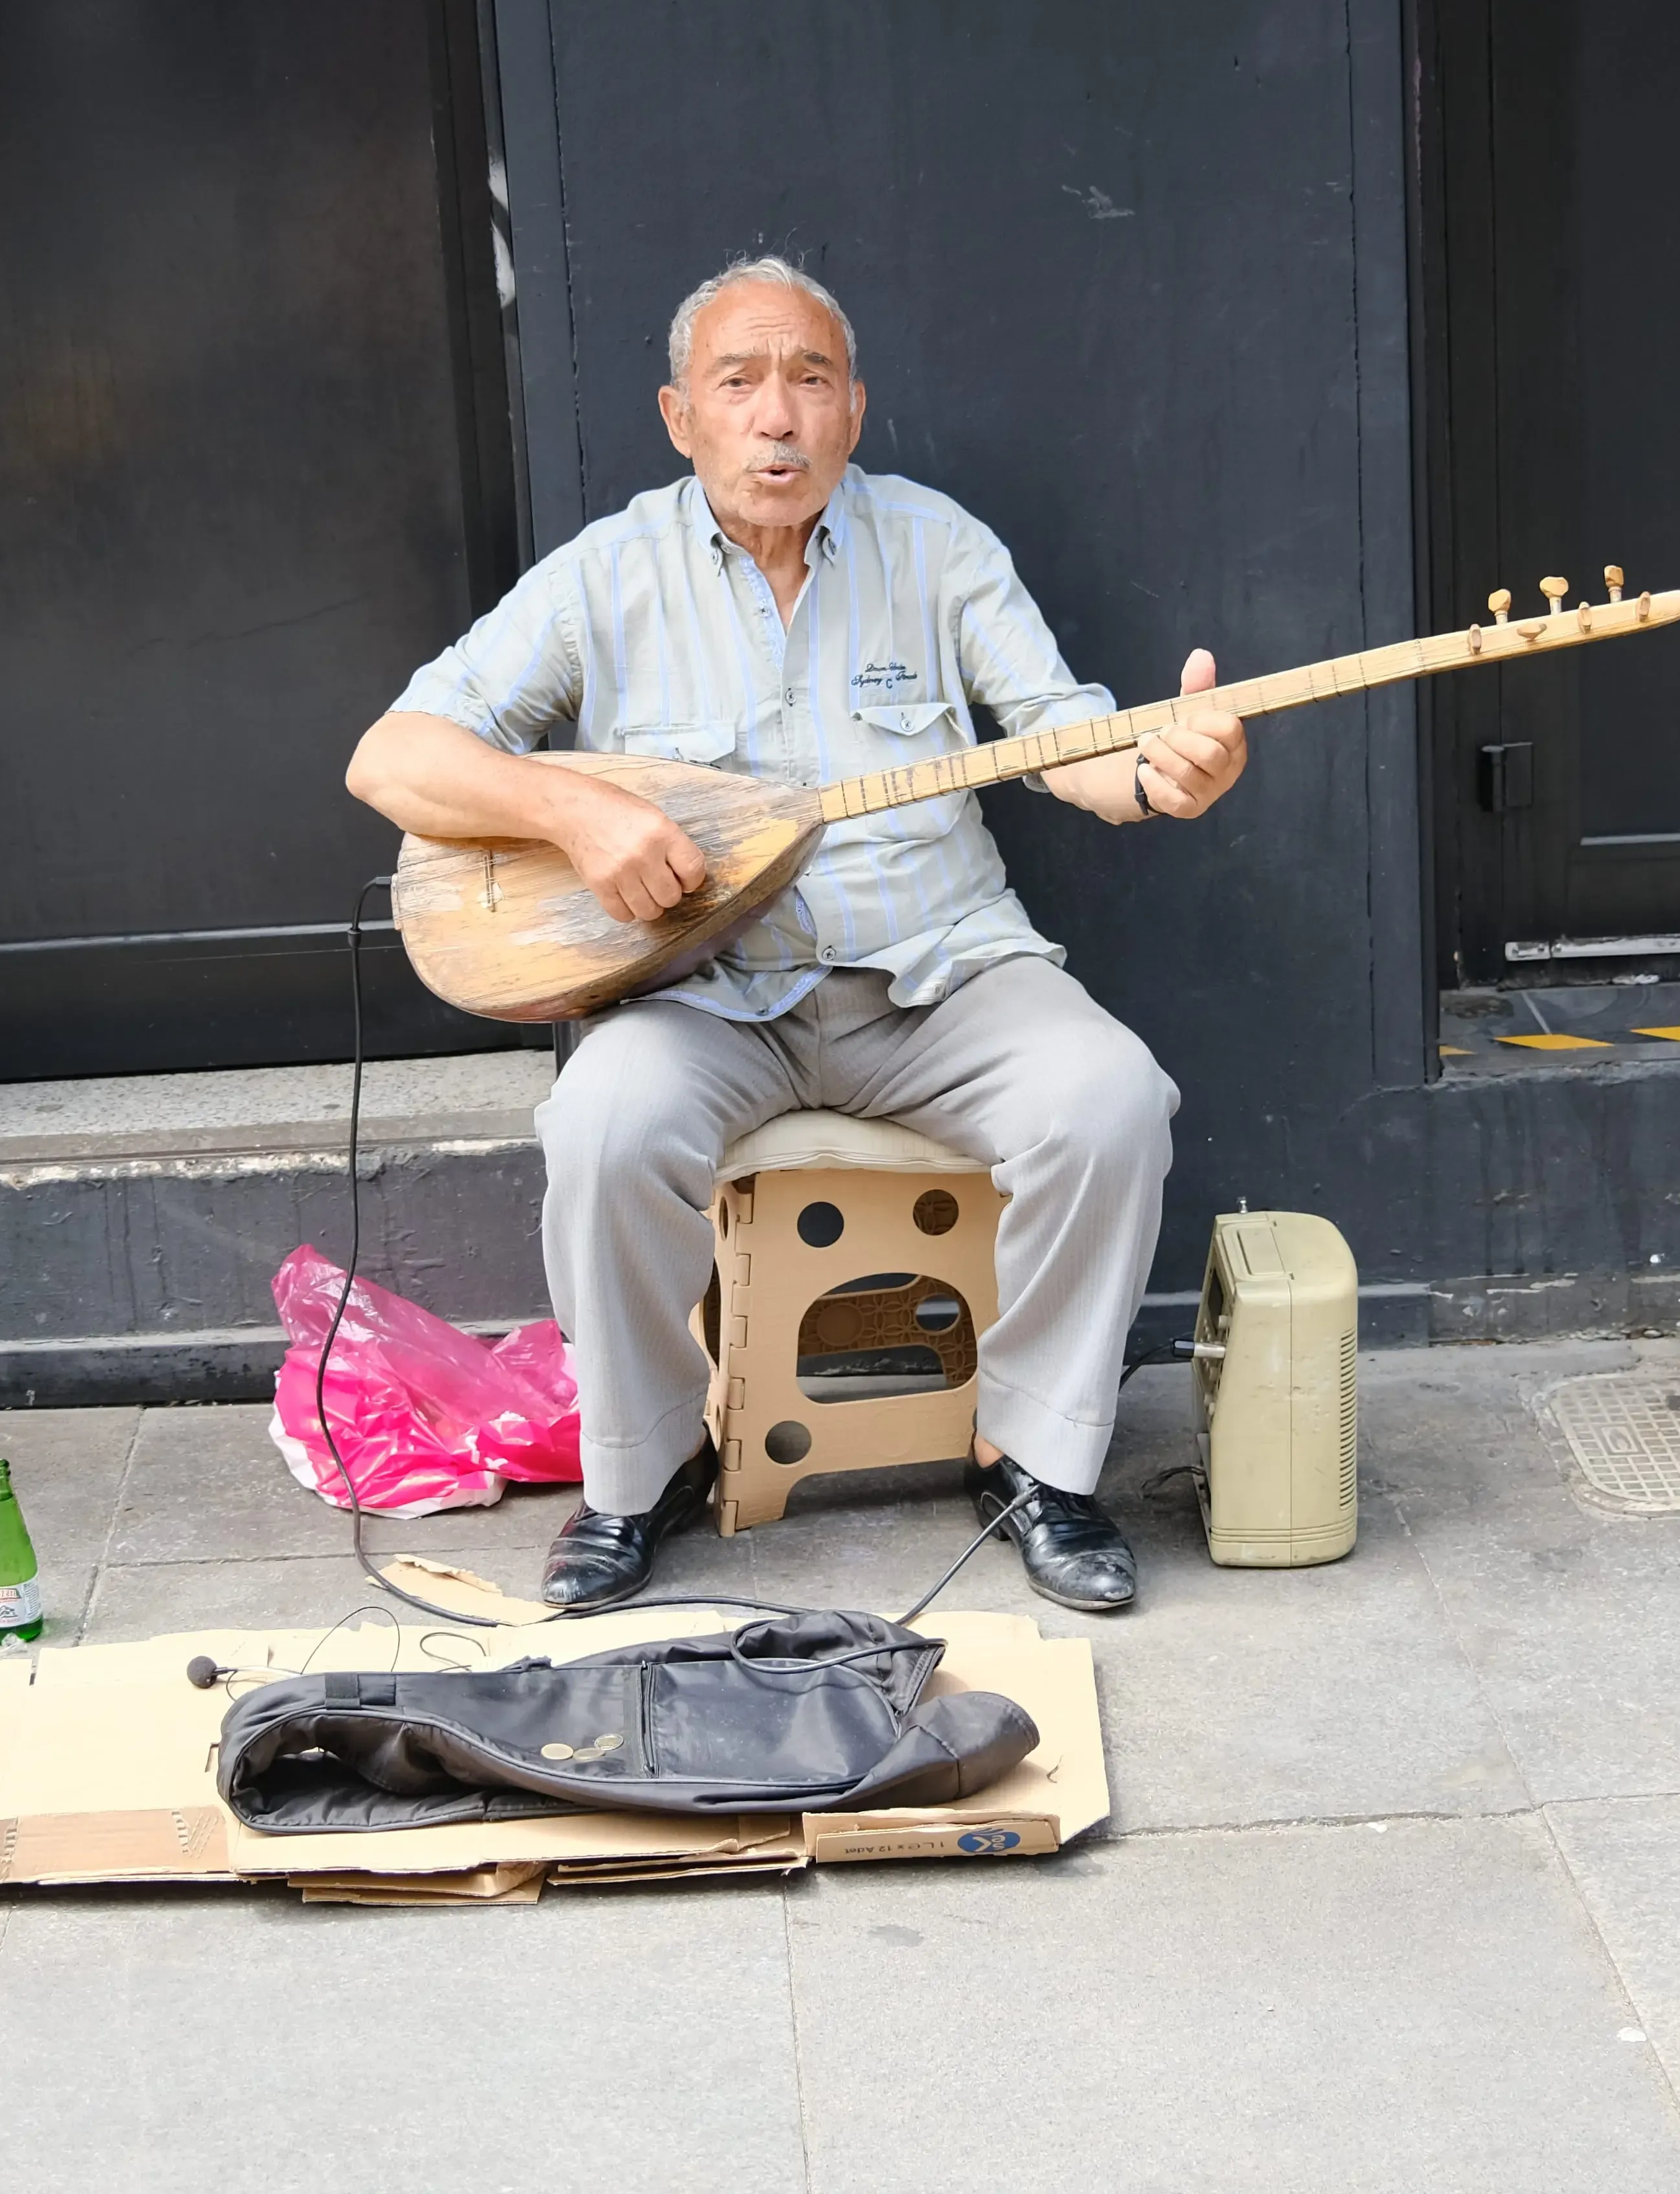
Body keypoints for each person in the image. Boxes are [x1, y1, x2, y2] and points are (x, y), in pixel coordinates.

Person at [346, 257, 1247, 1611]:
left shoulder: (937, 548)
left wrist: (1160, 773)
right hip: (705, 1001)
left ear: (854, 409)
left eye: (810, 379)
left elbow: (1063, 735)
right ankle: (644, 1470)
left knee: (1110, 1099)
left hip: (943, 980)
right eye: (739, 381)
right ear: (680, 417)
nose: (778, 415)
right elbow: (392, 755)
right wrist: (575, 813)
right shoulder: (607, 576)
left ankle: (1038, 1460)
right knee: (602, 1127)